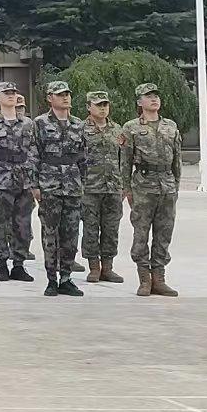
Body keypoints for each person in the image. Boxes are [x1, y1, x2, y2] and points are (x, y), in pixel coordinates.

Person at [124, 83, 184, 297]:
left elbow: (177, 159)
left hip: (166, 185)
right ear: (139, 102)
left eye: (156, 96)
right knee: (141, 233)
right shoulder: (131, 127)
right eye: (148, 96)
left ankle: (159, 278)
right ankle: (144, 279)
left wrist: (176, 185)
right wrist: (127, 189)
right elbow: (125, 161)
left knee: (164, 233)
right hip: (143, 185)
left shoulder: (170, 126)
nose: (154, 99)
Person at [33, 81, 89, 298]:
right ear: (50, 98)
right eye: (60, 94)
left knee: (71, 234)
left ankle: (66, 278)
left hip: (73, 186)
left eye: (67, 94)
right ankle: (51, 279)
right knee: (50, 234)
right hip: (50, 185)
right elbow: (33, 154)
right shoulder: (40, 123)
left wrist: (82, 182)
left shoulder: (78, 124)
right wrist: (35, 185)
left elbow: (83, 157)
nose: (65, 98)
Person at [0, 83, 38, 283]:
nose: (11, 96)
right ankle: (2, 264)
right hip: (1, 180)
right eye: (6, 93)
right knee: (0, 224)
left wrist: (32, 179)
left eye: (13, 93)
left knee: (23, 225)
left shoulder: (27, 124)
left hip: (24, 180)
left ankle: (19, 264)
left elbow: (34, 151)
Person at [81, 89, 130, 285]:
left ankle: (108, 268)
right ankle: (94, 267)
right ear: (89, 107)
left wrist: (124, 185)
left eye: (105, 105)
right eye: (98, 105)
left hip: (113, 187)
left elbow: (123, 159)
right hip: (89, 187)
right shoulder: (81, 129)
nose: (103, 108)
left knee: (111, 229)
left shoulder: (117, 130)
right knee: (91, 228)